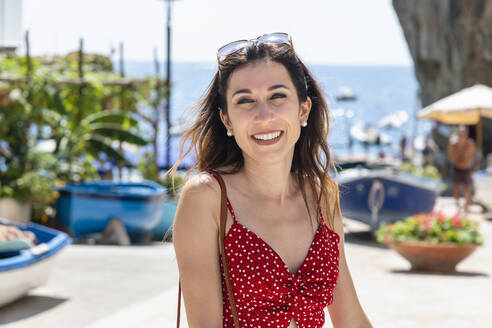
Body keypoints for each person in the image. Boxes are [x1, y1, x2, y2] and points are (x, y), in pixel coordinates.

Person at [171, 32, 372, 328]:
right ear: (227, 119)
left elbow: (351, 319)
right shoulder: (208, 197)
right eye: (245, 101)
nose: (263, 116)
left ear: (303, 108)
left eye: (278, 96)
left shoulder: (321, 194)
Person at [447, 125, 476, 213]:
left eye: (463, 132)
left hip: (466, 168)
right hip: (457, 167)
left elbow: (471, 156)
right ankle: (457, 205)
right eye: (460, 132)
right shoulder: (453, 143)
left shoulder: (470, 143)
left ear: (466, 133)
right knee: (456, 187)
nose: (462, 134)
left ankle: (466, 205)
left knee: (466, 188)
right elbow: (451, 155)